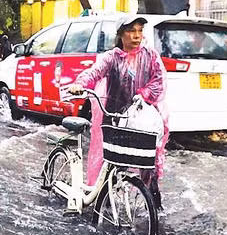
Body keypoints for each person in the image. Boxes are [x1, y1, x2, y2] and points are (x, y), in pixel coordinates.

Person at [67, 15, 168, 207]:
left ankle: (154, 207)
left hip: (142, 118)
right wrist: (80, 83)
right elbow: (94, 72)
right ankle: (103, 204)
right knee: (113, 163)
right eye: (131, 31)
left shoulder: (150, 55)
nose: (136, 36)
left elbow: (158, 80)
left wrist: (144, 94)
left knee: (148, 162)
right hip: (115, 116)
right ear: (121, 34)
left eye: (139, 31)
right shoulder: (112, 57)